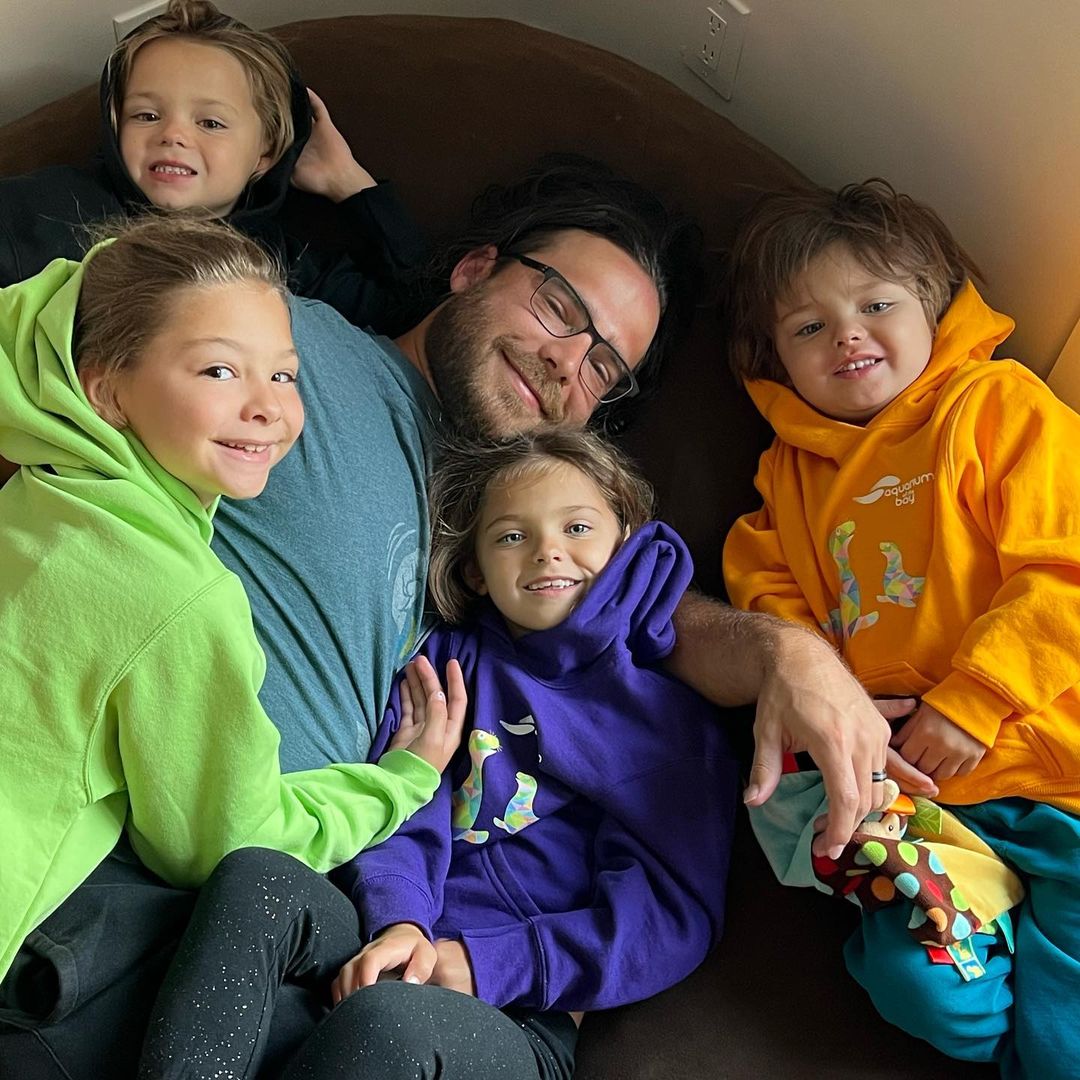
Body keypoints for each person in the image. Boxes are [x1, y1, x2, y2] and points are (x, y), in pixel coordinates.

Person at [0, 158, 918, 1076]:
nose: (569, 361)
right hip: (117, 846)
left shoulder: (511, 548)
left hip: (288, 922)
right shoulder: (285, 350)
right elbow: (72, 331)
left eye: (605, 367)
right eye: (559, 307)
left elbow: (627, 610)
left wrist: (790, 654)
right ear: (475, 269)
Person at [0, 216, 460, 1072]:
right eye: (219, 370)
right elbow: (223, 844)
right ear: (108, 391)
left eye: (284, 373)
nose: (270, 408)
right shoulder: (183, 597)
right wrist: (402, 779)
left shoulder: (39, 495)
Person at [135, 428, 736, 1080]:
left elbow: (666, 917)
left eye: (578, 528)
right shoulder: (446, 669)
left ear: (625, 541)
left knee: (388, 1021)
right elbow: (407, 813)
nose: (547, 551)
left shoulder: (667, 722)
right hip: (381, 940)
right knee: (257, 877)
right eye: (512, 536)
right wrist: (401, 923)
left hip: (515, 1013)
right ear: (475, 568)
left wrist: (481, 964)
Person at [722, 177, 1080, 1077]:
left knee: (1063, 1036)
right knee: (913, 990)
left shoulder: (997, 405)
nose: (847, 335)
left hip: (1057, 779)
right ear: (776, 359)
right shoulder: (786, 479)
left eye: (875, 305)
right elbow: (773, 614)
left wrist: (974, 700)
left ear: (933, 306)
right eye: (809, 327)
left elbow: (1067, 569)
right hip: (917, 811)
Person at [0, 0, 426, 332]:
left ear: (266, 153)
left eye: (210, 123)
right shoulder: (40, 205)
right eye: (147, 115)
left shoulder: (283, 264)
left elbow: (419, 309)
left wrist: (349, 183)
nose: (173, 134)